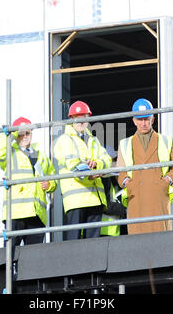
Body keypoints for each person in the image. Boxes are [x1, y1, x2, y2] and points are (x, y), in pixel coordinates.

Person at [0, 116, 56, 250]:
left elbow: (53, 177)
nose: (25, 136)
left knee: (34, 258)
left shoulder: (41, 156)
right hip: (16, 212)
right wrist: (13, 132)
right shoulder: (10, 153)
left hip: (37, 213)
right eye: (22, 133)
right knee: (9, 254)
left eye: (28, 133)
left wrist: (50, 185)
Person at [117, 98, 173, 235]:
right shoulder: (125, 144)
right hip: (136, 196)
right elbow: (120, 171)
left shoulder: (166, 141)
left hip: (158, 196)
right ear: (134, 120)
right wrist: (128, 183)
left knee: (161, 238)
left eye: (147, 119)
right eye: (140, 120)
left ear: (153, 119)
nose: (144, 123)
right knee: (137, 240)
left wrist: (166, 181)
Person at [53, 100, 112, 240]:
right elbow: (73, 164)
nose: (81, 121)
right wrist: (91, 174)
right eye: (77, 118)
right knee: (73, 243)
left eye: (84, 117)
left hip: (95, 199)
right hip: (76, 200)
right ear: (71, 119)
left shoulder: (93, 140)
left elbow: (107, 160)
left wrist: (96, 164)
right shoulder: (64, 140)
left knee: (93, 244)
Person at [100, 147, 127, 236]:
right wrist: (126, 209)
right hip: (102, 231)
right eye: (111, 160)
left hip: (114, 232)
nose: (114, 163)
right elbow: (105, 205)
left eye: (115, 160)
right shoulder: (101, 180)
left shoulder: (114, 179)